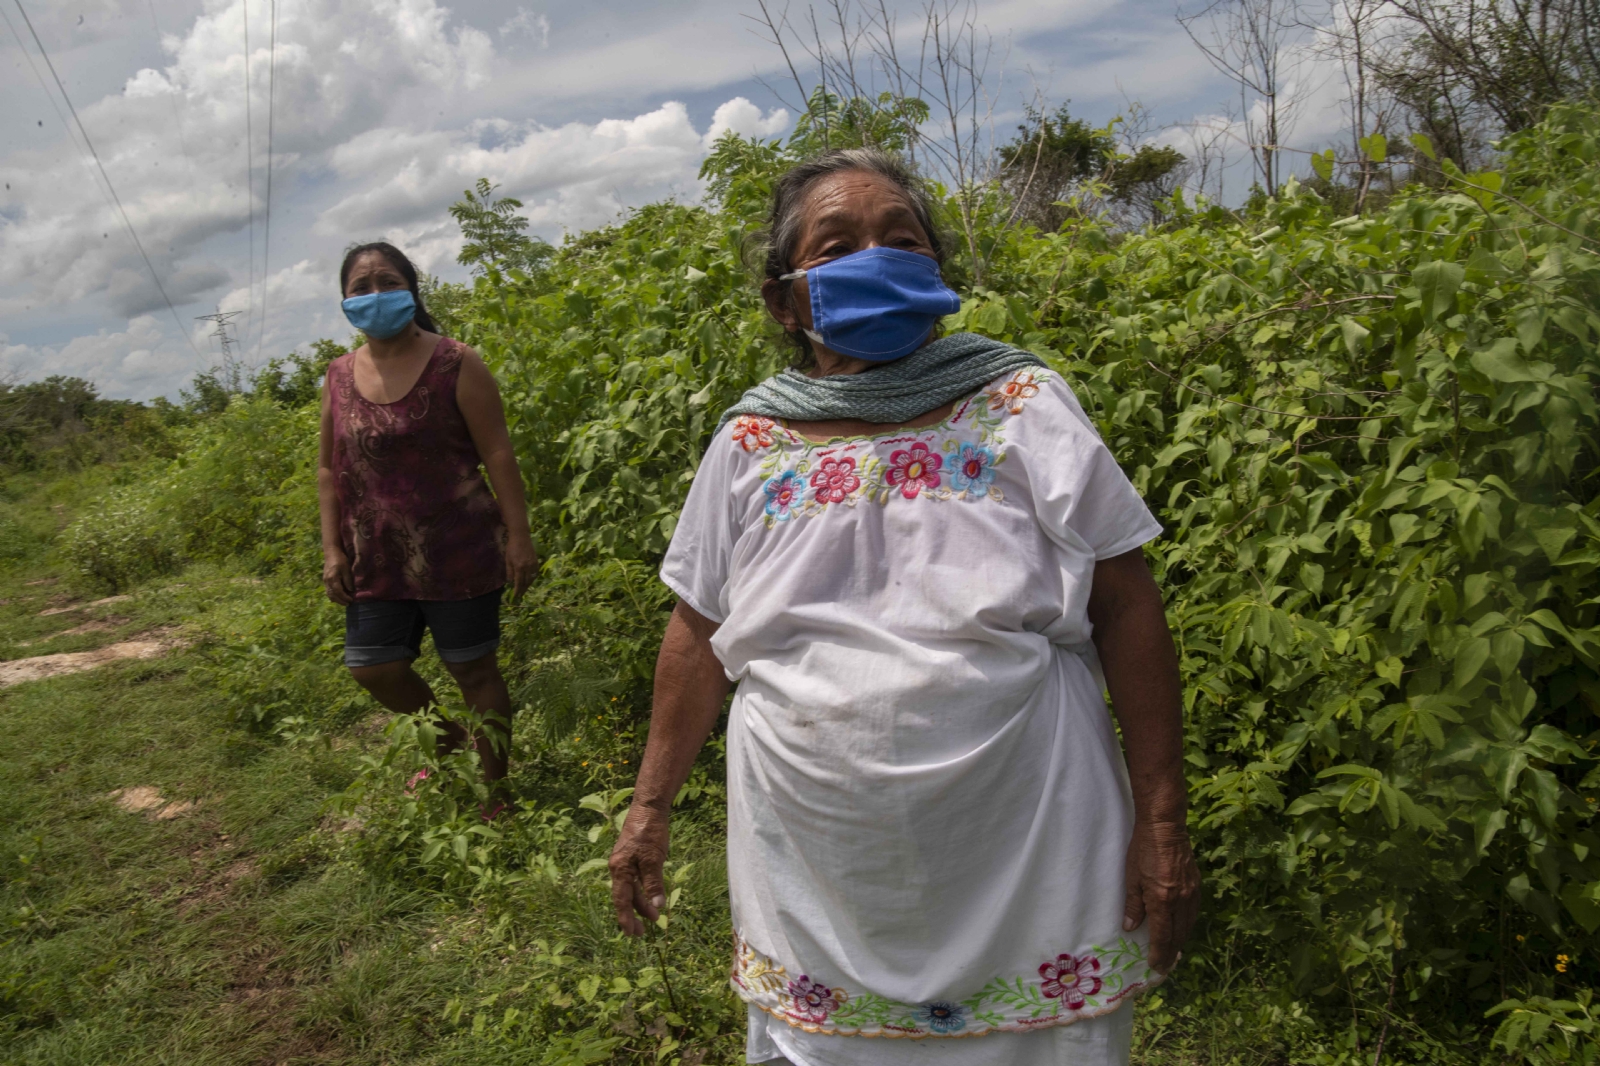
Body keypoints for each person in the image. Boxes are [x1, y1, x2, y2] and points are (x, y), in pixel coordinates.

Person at [608, 150, 1200, 1066]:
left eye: (901, 239)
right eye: (836, 244)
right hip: (820, 874)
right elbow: (697, 635)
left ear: (935, 275)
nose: (874, 255)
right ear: (784, 301)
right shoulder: (750, 441)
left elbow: (1126, 605)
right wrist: (648, 810)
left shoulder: (1022, 404)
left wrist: (1163, 823)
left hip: (1031, 842)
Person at [317, 241, 538, 807]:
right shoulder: (338, 376)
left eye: (387, 282)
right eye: (360, 287)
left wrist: (519, 538)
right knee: (374, 668)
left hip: (458, 546)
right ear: (344, 300)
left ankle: (498, 791)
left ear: (412, 289)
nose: (374, 295)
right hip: (375, 556)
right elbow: (327, 469)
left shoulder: (455, 362)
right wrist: (332, 550)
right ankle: (452, 745)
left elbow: (498, 454)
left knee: (473, 671)